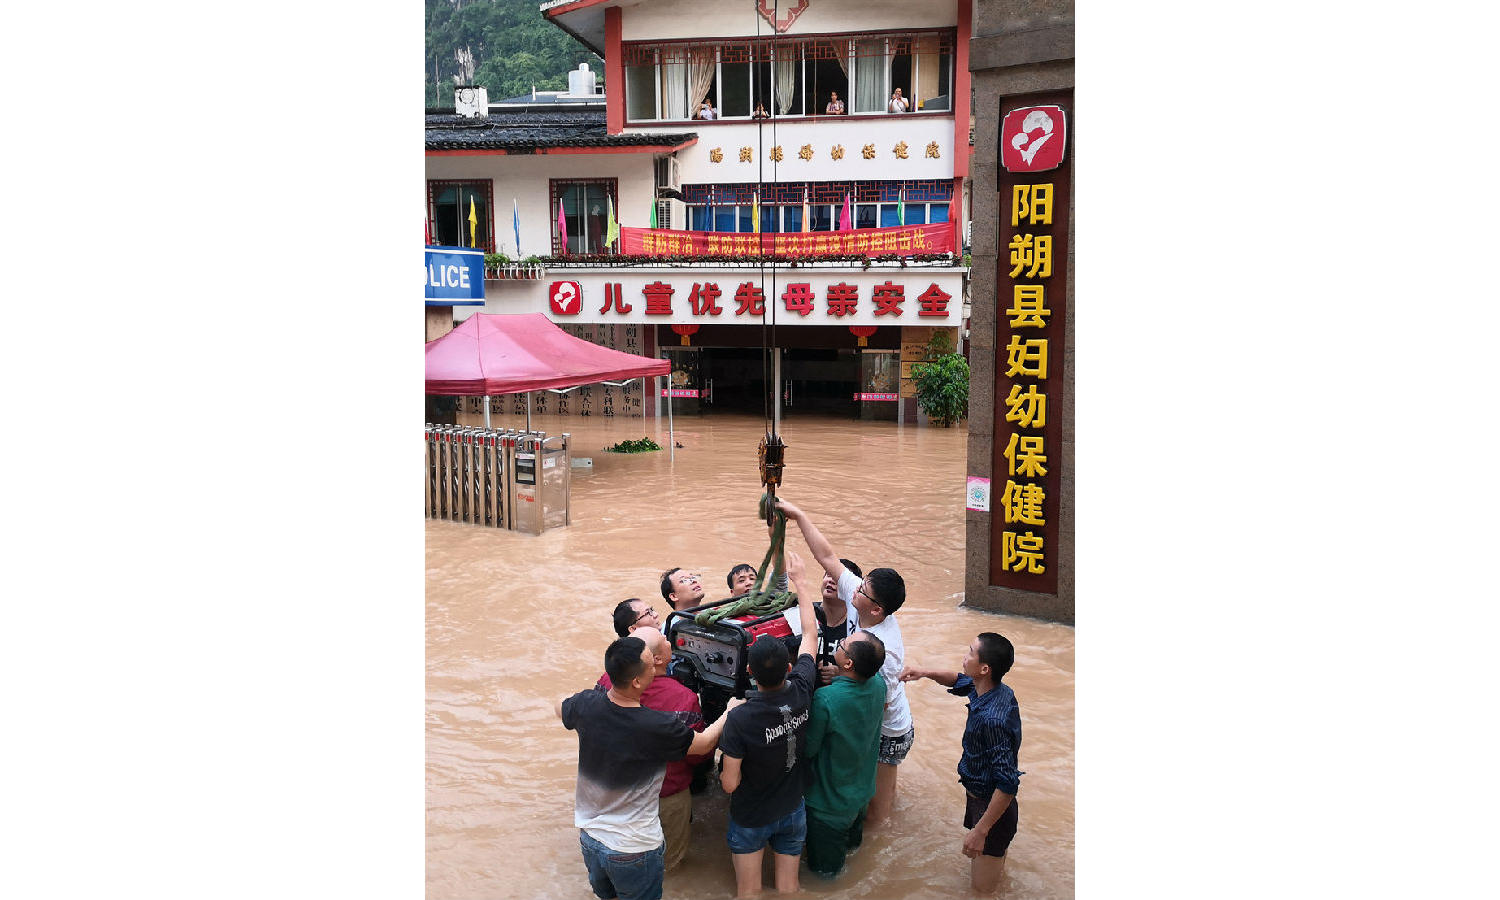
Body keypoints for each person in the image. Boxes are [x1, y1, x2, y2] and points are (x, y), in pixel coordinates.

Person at [559, 635, 743, 900]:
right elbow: (702, 746)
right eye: (650, 666)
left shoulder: (586, 703)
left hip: (590, 838)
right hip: (634, 848)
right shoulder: (655, 726)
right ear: (637, 680)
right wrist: (729, 712)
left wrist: (575, 709)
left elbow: (559, 706)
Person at [776, 498, 913, 827]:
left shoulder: (887, 650)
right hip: (863, 708)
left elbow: (876, 699)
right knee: (859, 791)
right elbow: (826, 556)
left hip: (886, 727)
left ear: (876, 609)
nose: (850, 585)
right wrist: (798, 514)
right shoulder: (862, 600)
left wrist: (839, 676)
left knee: (878, 810)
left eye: (861, 587)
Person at [718, 549, 820, 898]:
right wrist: (802, 584)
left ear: (749, 673)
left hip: (751, 815)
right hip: (793, 807)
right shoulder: (804, 689)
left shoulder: (739, 717)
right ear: (789, 669)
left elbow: (730, 785)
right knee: (789, 888)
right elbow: (810, 632)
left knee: (749, 892)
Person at [900, 633, 1024, 893]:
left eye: (970, 653)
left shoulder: (992, 720)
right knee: (994, 877)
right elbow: (959, 679)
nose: (964, 657)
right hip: (984, 801)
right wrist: (924, 672)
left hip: (991, 809)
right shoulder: (995, 690)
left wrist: (981, 831)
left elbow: (1008, 784)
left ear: (985, 668)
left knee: (980, 892)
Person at [594, 627, 708, 872]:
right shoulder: (684, 698)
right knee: (669, 866)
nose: (669, 641)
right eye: (665, 639)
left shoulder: (607, 681)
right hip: (666, 794)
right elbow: (698, 754)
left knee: (622, 858)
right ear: (656, 659)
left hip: (617, 791)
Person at [802, 630, 886, 878]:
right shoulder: (879, 685)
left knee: (824, 875)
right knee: (852, 853)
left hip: (829, 805)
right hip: (861, 794)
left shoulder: (826, 698)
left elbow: (808, 749)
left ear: (848, 663)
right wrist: (840, 676)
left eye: (842, 644)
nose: (838, 644)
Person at [813, 558, 862, 686]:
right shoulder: (805, 613)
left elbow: (865, 675)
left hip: (833, 698)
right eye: (828, 575)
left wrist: (840, 674)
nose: (830, 580)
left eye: (838, 579)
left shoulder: (856, 627)